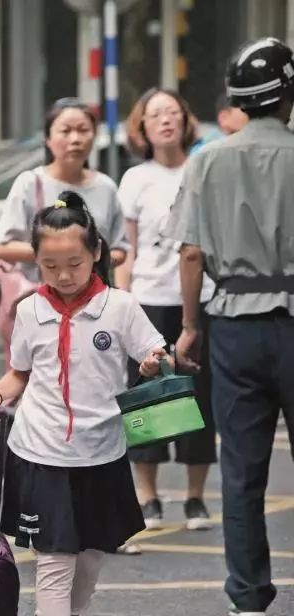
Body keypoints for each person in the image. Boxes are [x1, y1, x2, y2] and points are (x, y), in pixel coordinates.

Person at [0, 191, 164, 616]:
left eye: (73, 263)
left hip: (103, 450)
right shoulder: (29, 309)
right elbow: (19, 373)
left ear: (96, 251)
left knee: (92, 557)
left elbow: (151, 354)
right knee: (55, 558)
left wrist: (152, 363)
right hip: (40, 449)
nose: (61, 274)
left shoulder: (119, 307)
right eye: (49, 264)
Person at [173, 37, 294, 616]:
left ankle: (248, 592)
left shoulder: (208, 159)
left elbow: (192, 253)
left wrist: (190, 326)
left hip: (235, 328)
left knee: (243, 467)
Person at [119, 88, 216, 537]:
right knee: (150, 397)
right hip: (149, 297)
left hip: (198, 297)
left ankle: (195, 496)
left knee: (199, 395)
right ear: (142, 126)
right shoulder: (135, 179)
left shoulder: (203, 169)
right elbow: (127, 248)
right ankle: (147, 495)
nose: (164, 121)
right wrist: (124, 302)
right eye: (155, 114)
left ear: (185, 120)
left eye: (173, 112)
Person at [0, 98, 129, 367]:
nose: (75, 139)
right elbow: (2, 246)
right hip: (41, 306)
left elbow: (122, 248)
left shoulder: (106, 187)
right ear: (48, 138)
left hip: (93, 308)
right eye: (65, 131)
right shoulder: (30, 183)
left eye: (83, 130)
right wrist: (60, 255)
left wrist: (91, 259)